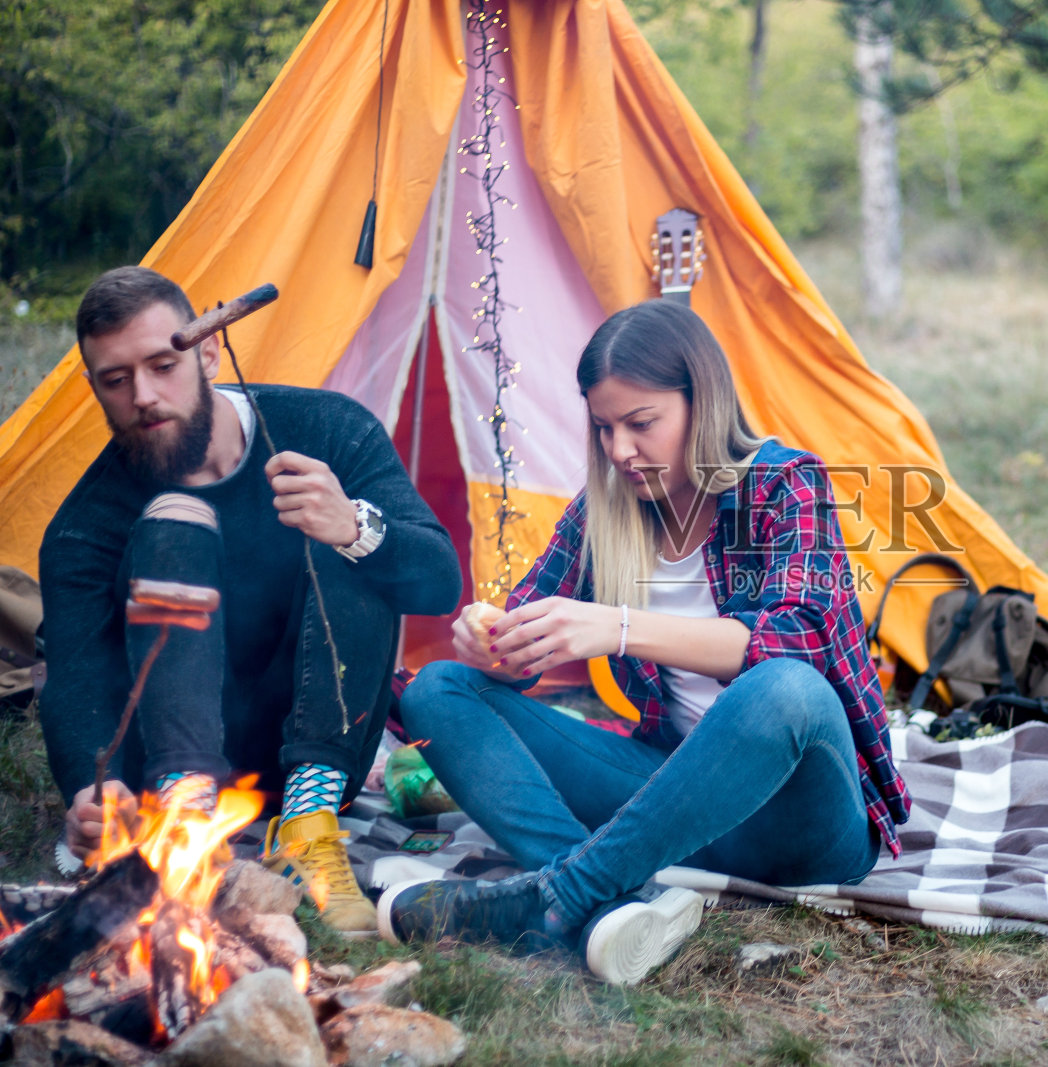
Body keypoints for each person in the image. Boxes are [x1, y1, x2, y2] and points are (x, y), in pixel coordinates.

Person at [381, 299, 911, 984]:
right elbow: (524, 638)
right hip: (677, 804)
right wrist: (496, 648)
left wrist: (620, 625)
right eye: (604, 428)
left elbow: (800, 638)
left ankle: (558, 896)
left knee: (784, 686)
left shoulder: (784, 484)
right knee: (438, 688)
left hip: (807, 823)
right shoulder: (603, 507)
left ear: (703, 403)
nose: (620, 450)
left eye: (641, 423)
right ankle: (619, 907)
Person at [38, 266, 461, 936]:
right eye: (116, 380)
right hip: (167, 763)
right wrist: (92, 788)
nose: (144, 395)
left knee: (338, 524)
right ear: (95, 388)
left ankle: (306, 824)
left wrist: (354, 526)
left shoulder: (326, 429)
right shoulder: (83, 527)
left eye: (162, 364)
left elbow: (440, 582)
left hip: (313, 748)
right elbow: (75, 680)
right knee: (172, 521)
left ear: (208, 350)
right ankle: (190, 821)